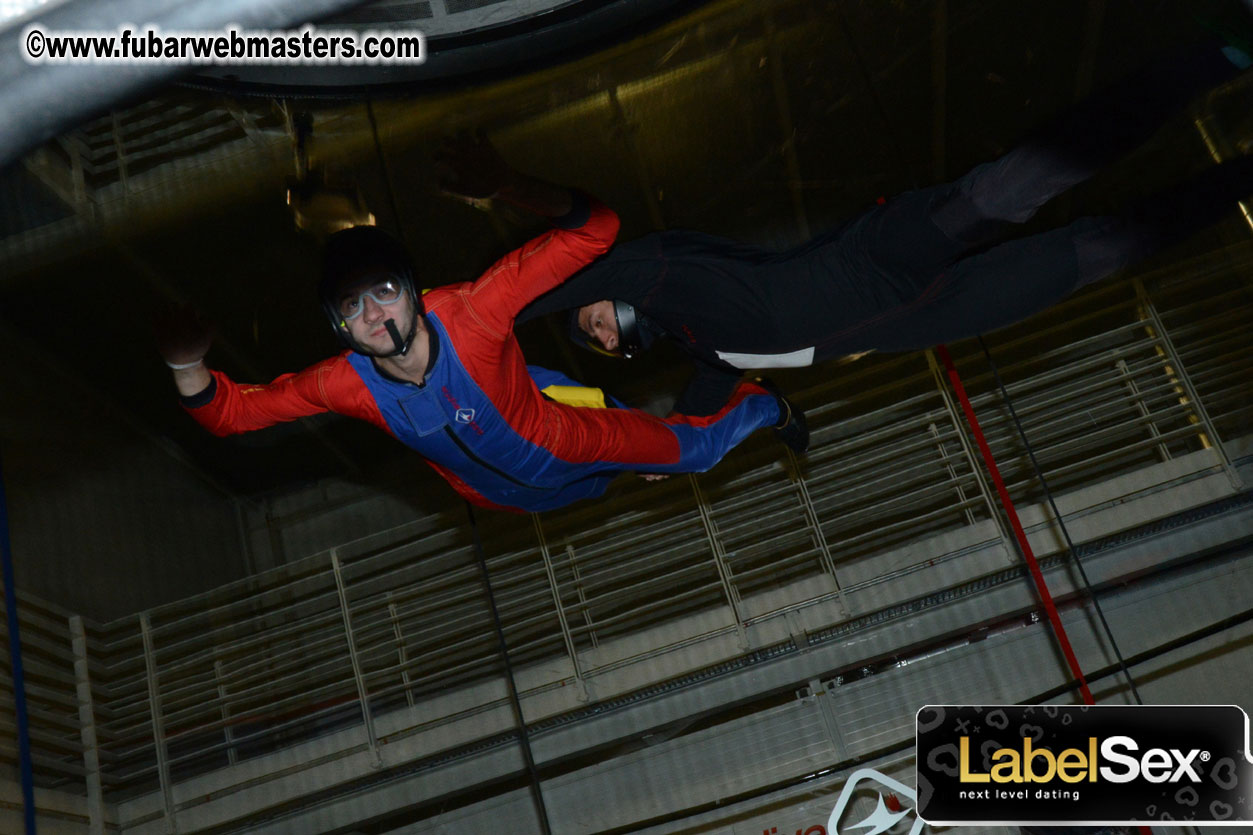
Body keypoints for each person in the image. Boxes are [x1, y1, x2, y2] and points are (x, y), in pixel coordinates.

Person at [520, 39, 1253, 416]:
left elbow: (588, 267)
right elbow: (688, 425)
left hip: (887, 252)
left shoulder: (667, 276)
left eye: (594, 323)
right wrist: (634, 445)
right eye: (602, 345)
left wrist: (491, 318)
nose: (605, 336)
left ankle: (1207, 60)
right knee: (1099, 251)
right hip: (937, 310)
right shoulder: (708, 351)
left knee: (1022, 181)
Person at [156, 158, 807, 515]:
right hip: (506, 496)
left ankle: (764, 402)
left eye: (384, 292)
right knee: (597, 476)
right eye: (355, 307)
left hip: (568, 440)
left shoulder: (473, 310)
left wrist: (513, 186)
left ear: (411, 290)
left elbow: (595, 230)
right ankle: (579, 412)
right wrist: (185, 363)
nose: (376, 315)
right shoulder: (341, 383)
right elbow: (231, 413)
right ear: (339, 327)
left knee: (687, 457)